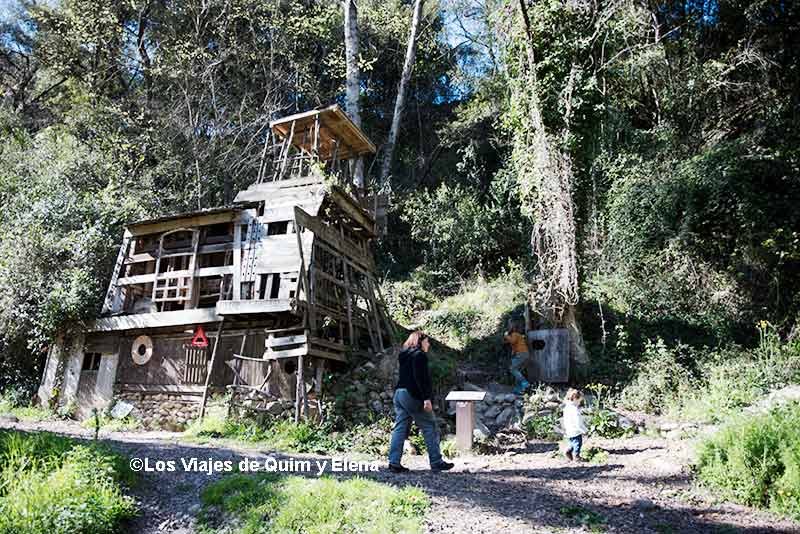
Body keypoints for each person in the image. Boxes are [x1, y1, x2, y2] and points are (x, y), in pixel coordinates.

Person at [387, 331, 454, 473]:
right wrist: (426, 399)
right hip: (413, 395)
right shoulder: (420, 356)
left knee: (400, 428)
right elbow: (420, 378)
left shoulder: (404, 355)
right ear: (420, 341)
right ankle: (436, 461)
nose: (428, 344)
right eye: (427, 341)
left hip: (399, 393)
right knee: (430, 426)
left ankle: (394, 463)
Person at [503, 320, 531, 394]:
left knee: (512, 369)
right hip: (524, 354)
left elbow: (512, 341)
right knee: (517, 371)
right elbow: (514, 345)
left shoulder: (515, 334)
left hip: (522, 354)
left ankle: (525, 383)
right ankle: (518, 389)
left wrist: (506, 335)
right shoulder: (517, 335)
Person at [562, 388, 588, 462]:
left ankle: (568, 451)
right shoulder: (575, 410)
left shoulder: (566, 408)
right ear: (574, 399)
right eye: (579, 401)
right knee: (577, 444)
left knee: (572, 442)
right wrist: (584, 430)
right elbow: (578, 422)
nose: (579, 403)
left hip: (569, 430)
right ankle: (576, 456)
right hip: (576, 431)